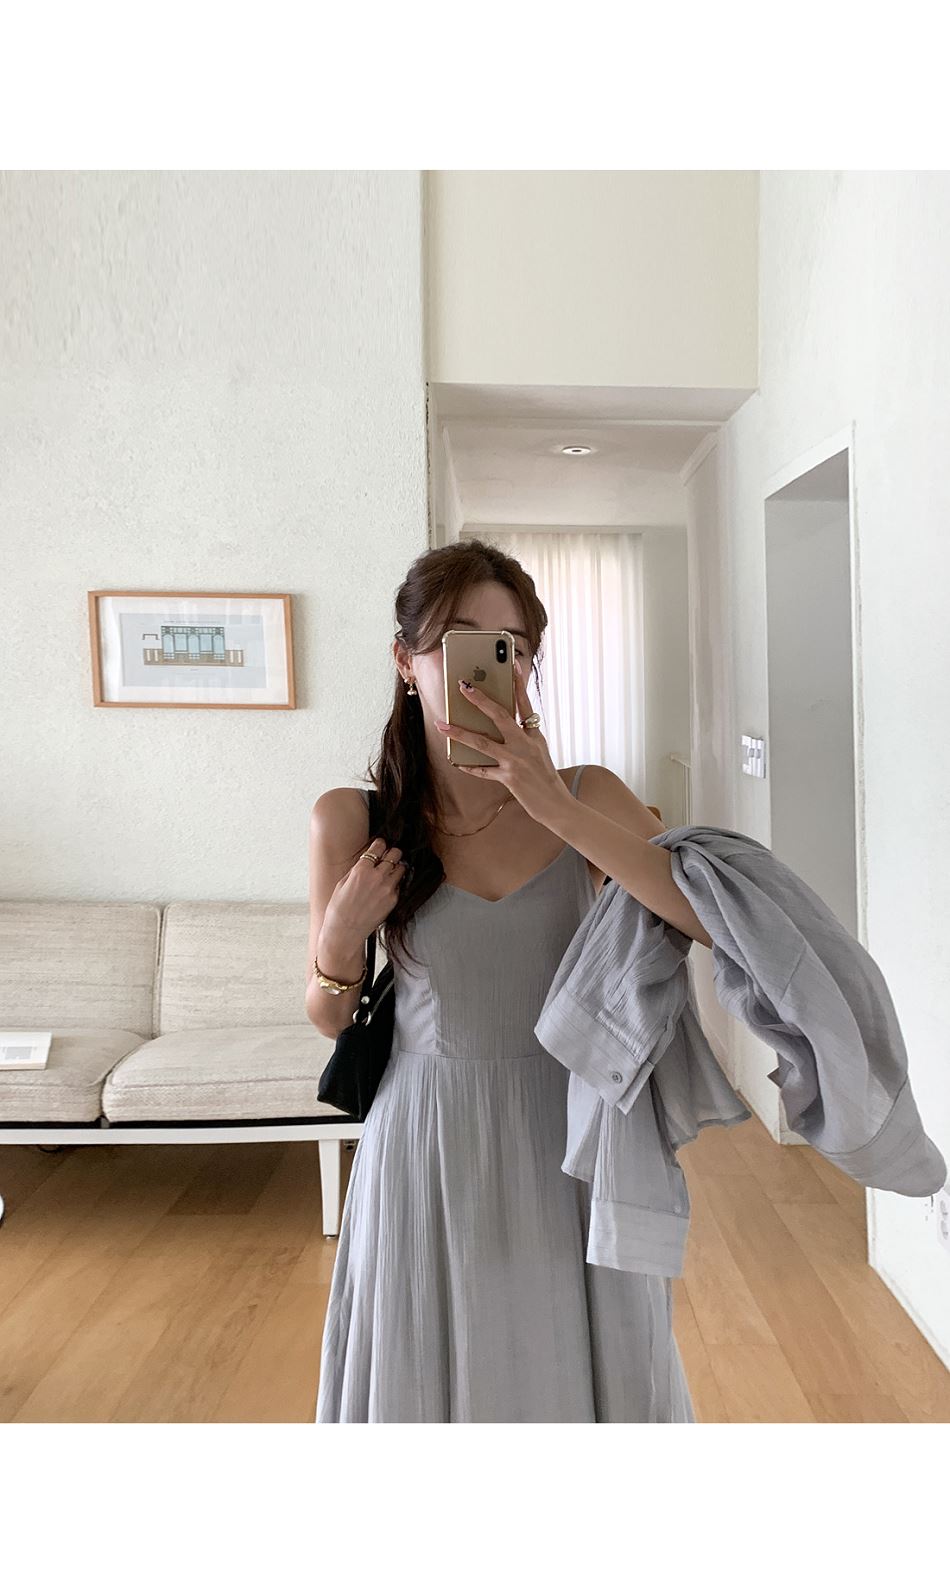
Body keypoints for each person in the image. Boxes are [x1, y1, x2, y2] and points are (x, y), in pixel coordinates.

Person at [307, 537, 712, 1422]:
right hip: (425, 1137)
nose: (495, 667)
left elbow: (701, 916)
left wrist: (553, 806)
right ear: (406, 661)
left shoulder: (587, 795)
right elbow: (330, 1017)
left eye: (515, 648)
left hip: (572, 1131)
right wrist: (341, 930)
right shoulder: (353, 818)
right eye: (462, 640)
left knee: (579, 1364)